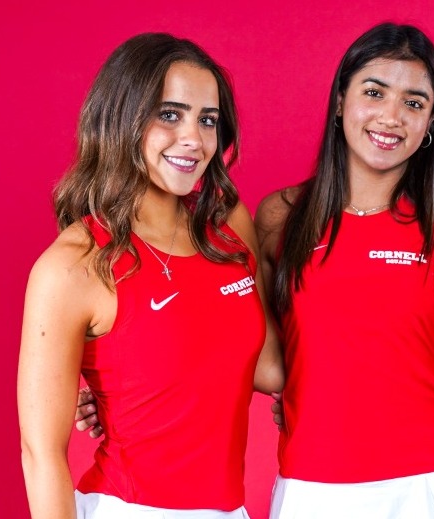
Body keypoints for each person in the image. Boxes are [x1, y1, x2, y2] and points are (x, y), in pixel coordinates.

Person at [17, 33, 282, 519]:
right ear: (123, 118)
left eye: (207, 120)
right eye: (170, 114)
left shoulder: (228, 226)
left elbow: (269, 368)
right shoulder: (74, 265)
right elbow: (41, 455)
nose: (194, 139)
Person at [254, 22, 434, 519]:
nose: (391, 116)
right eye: (374, 92)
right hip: (312, 486)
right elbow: (261, 360)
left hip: (427, 485)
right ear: (340, 101)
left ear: (431, 122)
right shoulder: (279, 217)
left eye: (414, 102)